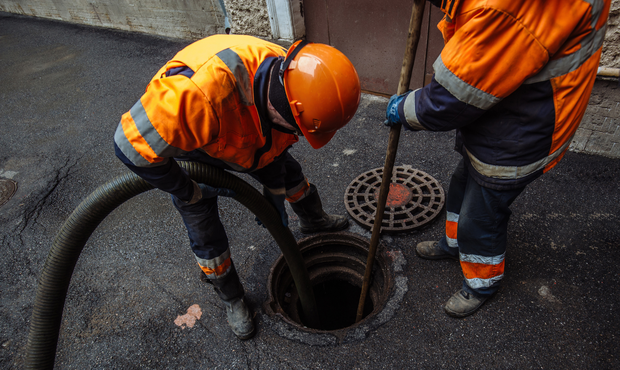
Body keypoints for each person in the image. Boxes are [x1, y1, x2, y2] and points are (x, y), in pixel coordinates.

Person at [114, 35, 361, 339]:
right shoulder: (195, 96)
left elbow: (278, 149)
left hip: (252, 134)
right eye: (299, 128)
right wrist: (187, 189)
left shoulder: (298, 77)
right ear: (284, 107)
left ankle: (313, 220)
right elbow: (128, 146)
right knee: (204, 228)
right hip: (200, 146)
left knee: (289, 175)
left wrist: (274, 197)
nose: (300, 134)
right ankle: (232, 297)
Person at [385, 0, 611, 318]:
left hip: (525, 125)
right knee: (462, 180)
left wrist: (405, 109)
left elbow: (450, 98)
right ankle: (453, 244)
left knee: (482, 214)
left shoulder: (509, 8)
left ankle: (481, 282)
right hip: (505, 106)